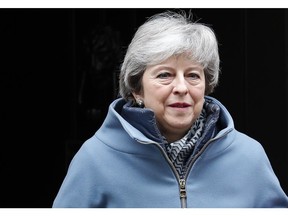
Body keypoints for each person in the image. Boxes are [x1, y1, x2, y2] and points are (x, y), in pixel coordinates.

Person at [52, 10, 288, 208]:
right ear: (137, 89)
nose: (182, 87)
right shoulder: (95, 159)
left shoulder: (249, 157)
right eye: (165, 75)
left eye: (193, 75)